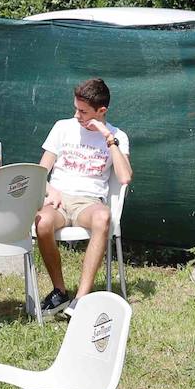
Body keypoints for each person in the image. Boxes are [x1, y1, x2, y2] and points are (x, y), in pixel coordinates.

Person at [33, 78, 132, 316]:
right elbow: (41, 170)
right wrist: (50, 190)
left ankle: (80, 299)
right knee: (42, 222)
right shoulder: (62, 127)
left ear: (101, 111)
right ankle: (59, 291)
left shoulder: (118, 136)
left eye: (83, 112)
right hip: (58, 198)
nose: (77, 115)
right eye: (76, 108)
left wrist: (107, 136)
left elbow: (125, 176)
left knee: (103, 217)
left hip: (89, 202)